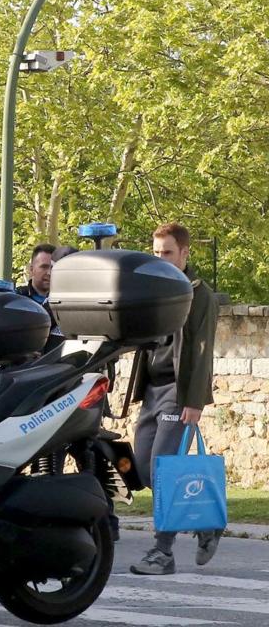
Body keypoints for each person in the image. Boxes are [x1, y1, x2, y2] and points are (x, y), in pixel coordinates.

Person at [129, 222, 220, 576]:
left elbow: (202, 350)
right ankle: (204, 523)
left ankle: (162, 552)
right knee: (142, 468)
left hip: (178, 393)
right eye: (157, 253)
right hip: (151, 392)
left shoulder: (201, 296)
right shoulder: (153, 291)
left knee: (164, 471)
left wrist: (194, 401)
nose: (162, 259)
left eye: (168, 252)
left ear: (184, 253)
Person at [16, 243, 66, 353]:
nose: (49, 273)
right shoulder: (17, 299)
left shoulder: (67, 302)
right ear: (31, 269)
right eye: (44, 267)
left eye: (53, 268)